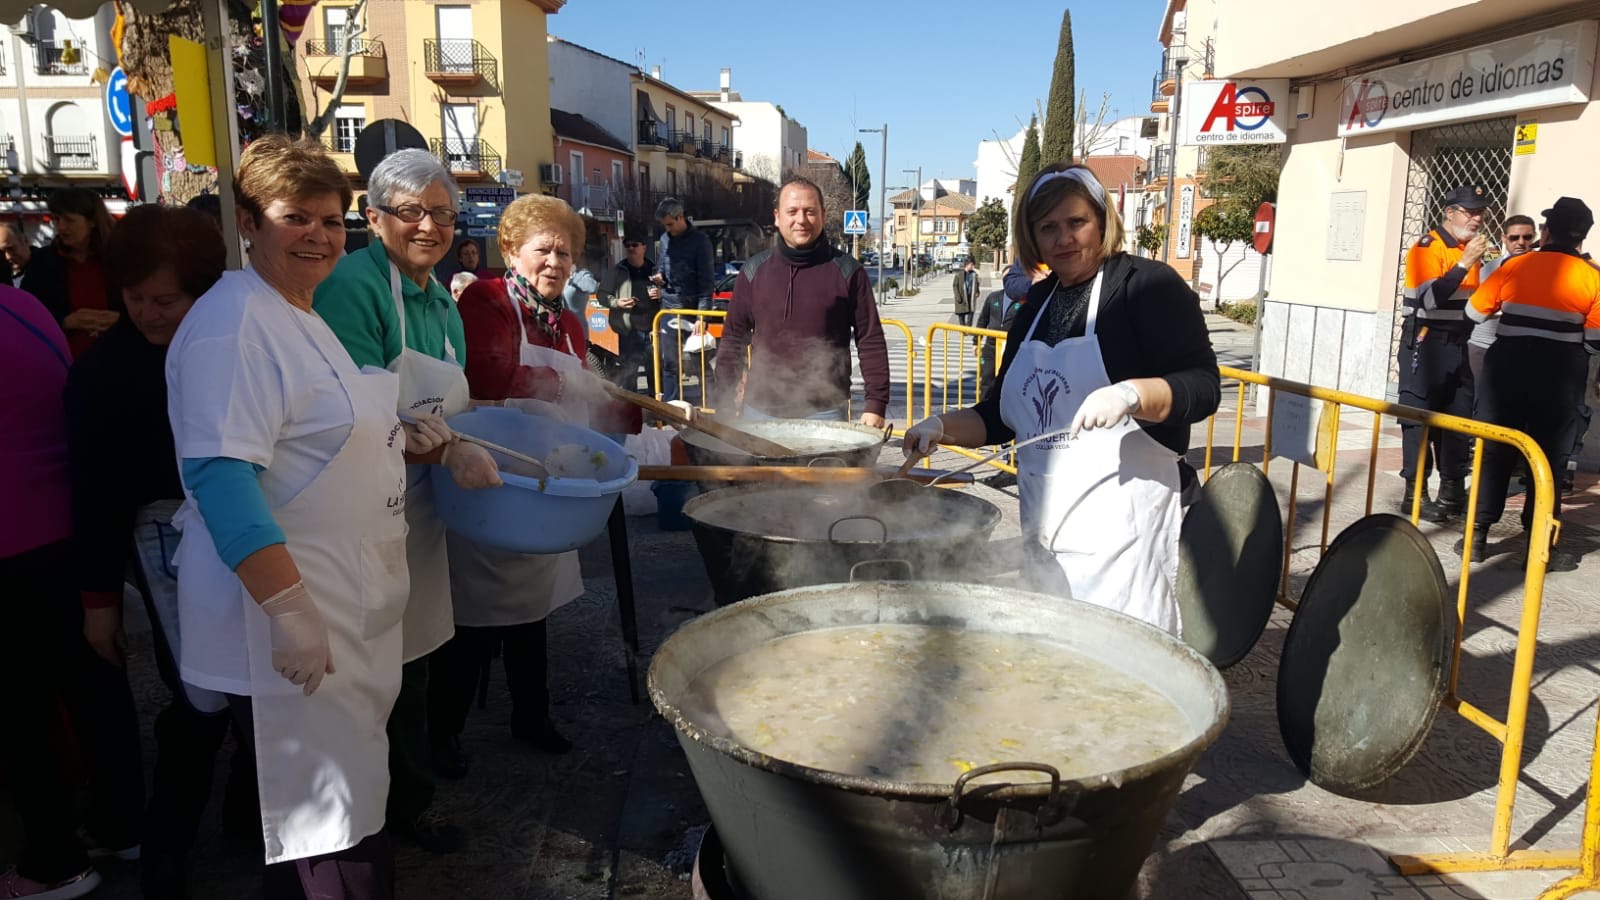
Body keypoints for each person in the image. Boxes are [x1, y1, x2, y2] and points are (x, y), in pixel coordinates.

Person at [165, 135, 454, 899]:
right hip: (287, 622)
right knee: (332, 827)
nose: (320, 236)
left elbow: (314, 432)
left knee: (336, 814)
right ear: (247, 222)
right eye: (296, 217)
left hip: (346, 606)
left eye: (331, 221)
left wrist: (402, 436)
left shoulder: (297, 310)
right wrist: (289, 610)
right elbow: (221, 475)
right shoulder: (234, 326)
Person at [902, 164, 1220, 634]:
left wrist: (1133, 394)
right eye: (1047, 227)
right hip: (1045, 531)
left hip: (1122, 538)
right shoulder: (1037, 303)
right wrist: (941, 426)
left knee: (1117, 652)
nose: (1063, 238)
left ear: (1103, 220)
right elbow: (1000, 416)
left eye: (1077, 222)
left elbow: (1202, 386)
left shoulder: (1148, 287)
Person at [64, 204, 257, 899]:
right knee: (201, 695)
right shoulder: (104, 373)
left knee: (258, 683)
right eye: (135, 296)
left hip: (248, 520)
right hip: (163, 532)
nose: (147, 312)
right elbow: (93, 495)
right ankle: (166, 845)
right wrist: (99, 601)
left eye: (165, 300)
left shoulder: (234, 341)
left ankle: (246, 813)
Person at [314, 148, 503, 855]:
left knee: (414, 657)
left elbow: (446, 405)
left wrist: (497, 422)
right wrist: (449, 452)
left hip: (419, 507)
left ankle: (407, 795)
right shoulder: (353, 287)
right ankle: (380, 811)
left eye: (442, 214)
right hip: (360, 507)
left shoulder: (440, 301)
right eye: (411, 211)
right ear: (373, 218)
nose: (429, 226)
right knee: (372, 668)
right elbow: (350, 420)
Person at [437, 195, 640, 765]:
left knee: (532, 610)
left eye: (565, 252)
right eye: (543, 250)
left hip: (547, 484)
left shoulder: (568, 323)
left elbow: (591, 396)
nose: (555, 262)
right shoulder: (487, 300)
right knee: (475, 615)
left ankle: (532, 716)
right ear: (511, 251)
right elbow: (487, 375)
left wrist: (640, 414)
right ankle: (443, 731)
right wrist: (563, 385)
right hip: (490, 477)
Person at [0, 286, 144, 900]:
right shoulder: (24, 306)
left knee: (22, 711)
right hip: (76, 530)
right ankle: (124, 825)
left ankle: (54, 864)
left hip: (12, 543)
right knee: (96, 684)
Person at [1464, 196, 1600, 569]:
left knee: (1495, 447)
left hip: (1506, 366)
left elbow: (1474, 312)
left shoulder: (1515, 266)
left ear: (1547, 231)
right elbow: (1595, 341)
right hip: (1560, 371)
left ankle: (1477, 536)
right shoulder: (1594, 278)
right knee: (1550, 457)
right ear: (1582, 237)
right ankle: (1539, 546)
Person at [711, 177, 891, 427]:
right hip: (760, 409)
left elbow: (870, 339)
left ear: (823, 215)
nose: (801, 220)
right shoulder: (753, 271)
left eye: (810, 211)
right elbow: (733, 339)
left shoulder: (849, 271)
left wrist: (876, 404)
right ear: (777, 217)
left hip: (825, 411)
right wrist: (723, 400)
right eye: (792, 211)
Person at [1397, 183, 1491, 522]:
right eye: (1470, 212)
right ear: (1450, 213)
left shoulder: (1471, 250)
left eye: (1481, 212)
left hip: (1459, 341)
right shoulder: (1428, 247)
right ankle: (1415, 494)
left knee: (1457, 415)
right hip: (1427, 341)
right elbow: (1429, 300)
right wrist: (1464, 263)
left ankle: (1451, 492)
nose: (1476, 219)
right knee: (1418, 417)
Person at [23, 187, 121, 358]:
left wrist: (119, 319)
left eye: (69, 220)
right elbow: (27, 310)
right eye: (56, 219)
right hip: (63, 358)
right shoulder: (43, 262)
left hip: (117, 355)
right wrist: (65, 321)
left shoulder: (120, 258)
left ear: (92, 221)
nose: (61, 227)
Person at [654, 197, 714, 404]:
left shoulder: (700, 241)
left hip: (692, 310)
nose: (667, 229)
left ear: (680, 217)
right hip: (669, 309)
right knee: (669, 363)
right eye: (664, 225)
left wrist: (702, 316)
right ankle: (671, 408)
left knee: (699, 361)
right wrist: (659, 277)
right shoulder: (665, 239)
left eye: (670, 224)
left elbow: (707, 281)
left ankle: (714, 405)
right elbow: (661, 267)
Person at [1466, 214, 1537, 384]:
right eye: (1514, 237)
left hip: (1525, 349)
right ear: (1504, 238)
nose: (1521, 242)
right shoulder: (1490, 269)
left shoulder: (1541, 270)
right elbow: (1473, 308)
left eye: (1527, 237)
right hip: (1483, 345)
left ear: (1534, 237)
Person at [598, 228, 662, 391]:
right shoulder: (618, 270)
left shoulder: (654, 270)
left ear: (644, 247)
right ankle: (631, 405)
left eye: (635, 245)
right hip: (629, 331)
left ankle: (655, 404)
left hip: (652, 329)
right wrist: (617, 303)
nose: (631, 248)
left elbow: (670, 293)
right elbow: (602, 295)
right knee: (629, 374)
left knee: (655, 373)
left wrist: (661, 294)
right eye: (627, 245)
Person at [975, 261, 1045, 401]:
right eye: (1007, 278)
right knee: (987, 378)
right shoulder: (993, 297)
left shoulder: (1022, 301)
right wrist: (975, 341)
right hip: (991, 345)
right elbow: (983, 319)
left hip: (1010, 343)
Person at [1, 220, 33, 287]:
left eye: (10, 248)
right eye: (1, 252)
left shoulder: (48, 267)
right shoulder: (4, 274)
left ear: (25, 241)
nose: (7, 257)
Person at [952, 257, 982, 327]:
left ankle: (968, 329)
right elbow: (955, 285)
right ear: (967, 264)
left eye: (973, 265)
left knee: (970, 316)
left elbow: (977, 284)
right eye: (971, 265)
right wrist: (958, 296)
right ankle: (963, 330)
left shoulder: (974, 274)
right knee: (961, 317)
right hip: (962, 298)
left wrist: (977, 291)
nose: (972, 266)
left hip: (971, 298)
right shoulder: (959, 274)